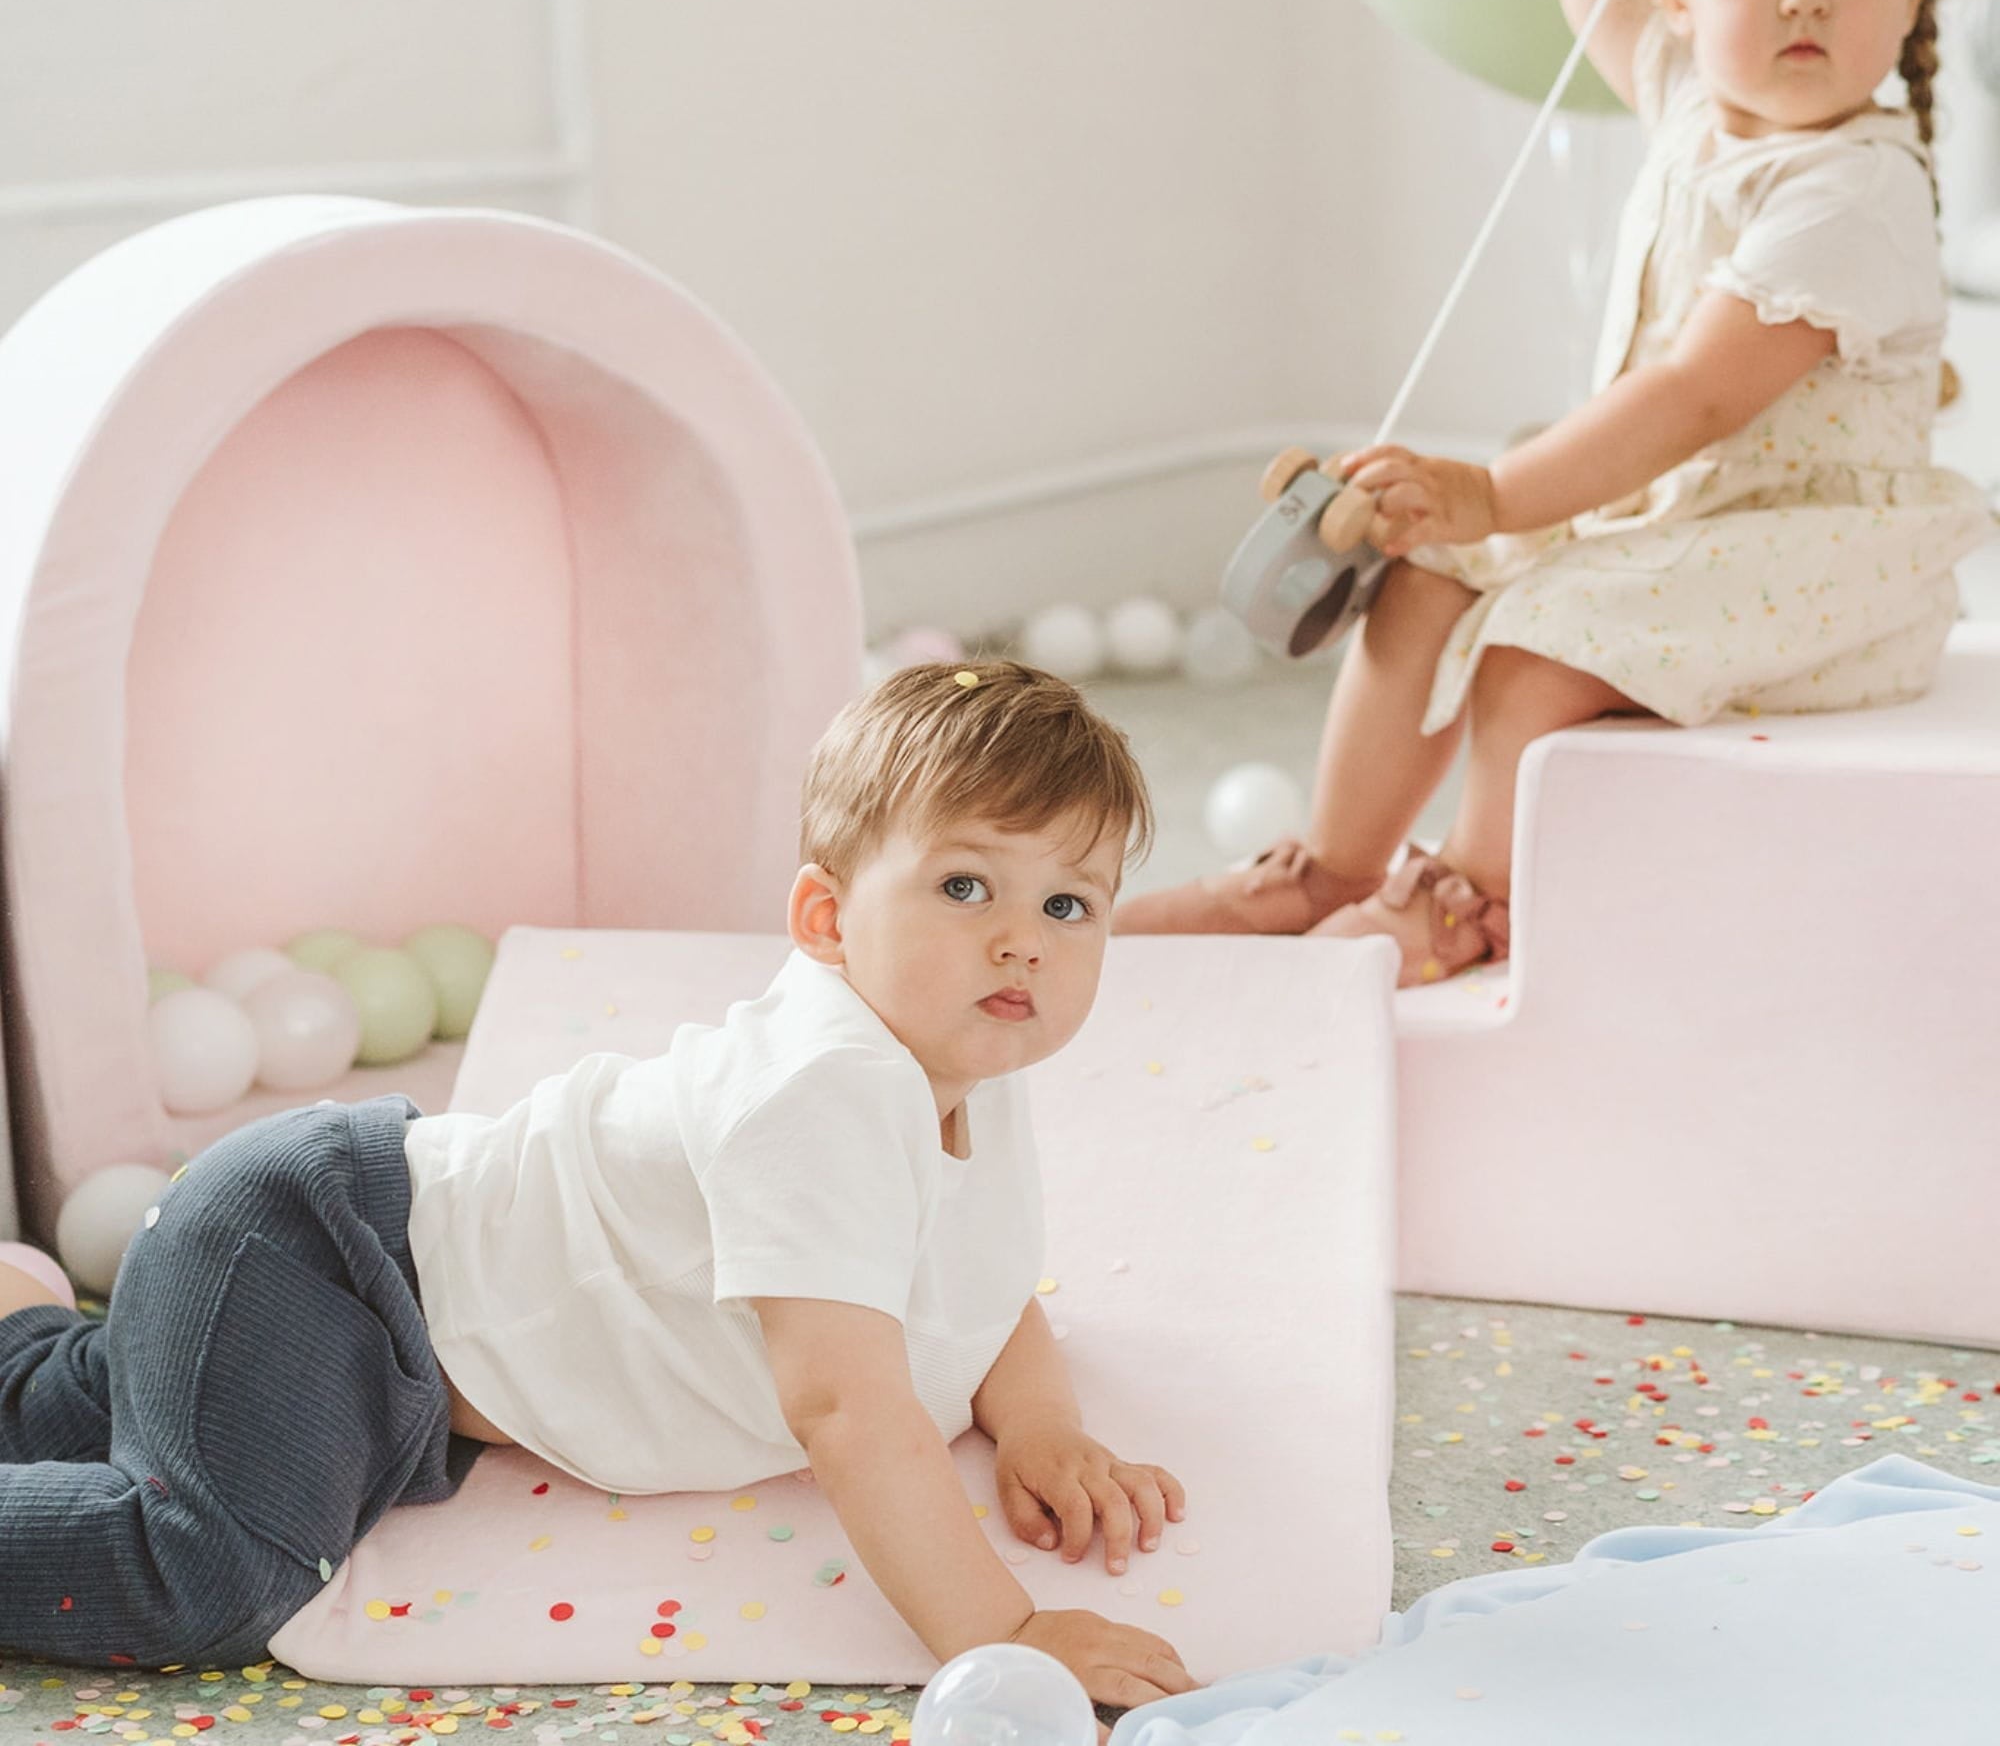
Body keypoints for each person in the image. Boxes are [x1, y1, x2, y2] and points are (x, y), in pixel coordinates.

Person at [0, 661, 1197, 1715]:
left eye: (1066, 904)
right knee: (209, 1572)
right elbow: (848, 1408)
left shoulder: (967, 1055)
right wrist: (1002, 1630)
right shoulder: (821, 1096)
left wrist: (1039, 1421)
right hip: (328, 1265)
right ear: (827, 917)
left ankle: (23, 1337)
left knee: (124, 1398)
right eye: (964, 886)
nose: (1022, 939)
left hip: (348, 1283)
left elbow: (976, 1279)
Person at [1120, 0, 1996, 983]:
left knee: (1535, 643)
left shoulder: (1851, 193)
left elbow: (1692, 395)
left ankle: (1472, 899)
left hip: (1818, 556)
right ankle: (1331, 867)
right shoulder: (1693, 103)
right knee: (1428, 573)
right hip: (1679, 514)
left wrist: (1492, 492)